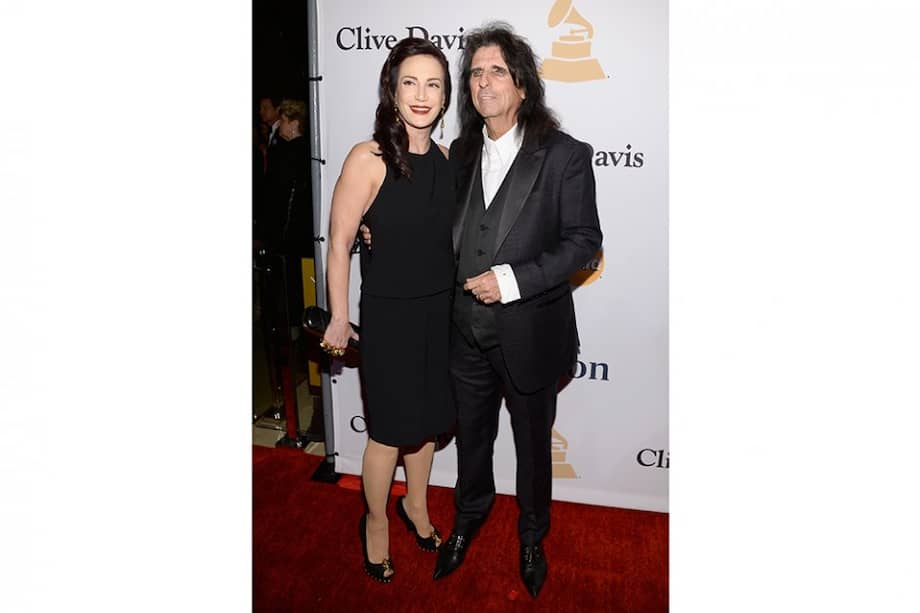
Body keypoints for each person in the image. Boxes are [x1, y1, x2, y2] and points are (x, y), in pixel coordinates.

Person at [430, 23, 603, 598]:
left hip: (530, 335)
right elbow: (443, 233)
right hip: (464, 335)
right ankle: (470, 517)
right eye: (475, 72)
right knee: (472, 441)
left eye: (496, 70)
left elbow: (584, 243)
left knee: (533, 450)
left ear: (523, 84)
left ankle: (533, 535)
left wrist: (511, 280)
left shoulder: (564, 156)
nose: (483, 81)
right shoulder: (459, 152)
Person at [321, 37, 456, 584]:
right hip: (390, 316)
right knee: (387, 432)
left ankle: (416, 506)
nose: (422, 95)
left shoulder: (448, 161)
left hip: (439, 313)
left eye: (433, 84)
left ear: (446, 97)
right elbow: (338, 244)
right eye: (410, 82)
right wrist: (336, 315)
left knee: (424, 428)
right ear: (391, 89)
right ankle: (376, 522)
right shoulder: (368, 157)